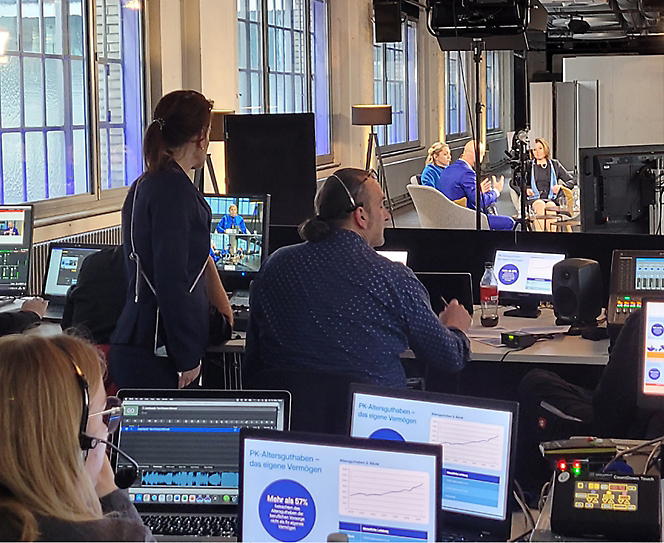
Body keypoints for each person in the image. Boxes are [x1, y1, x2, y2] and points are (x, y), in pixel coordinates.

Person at [244, 168, 472, 388]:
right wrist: (455, 328)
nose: (387, 214)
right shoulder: (393, 278)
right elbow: (449, 358)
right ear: (360, 216)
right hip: (370, 421)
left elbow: (253, 358)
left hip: (289, 419)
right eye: (382, 205)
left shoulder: (275, 265)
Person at [110, 90, 233, 389]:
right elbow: (172, 280)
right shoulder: (175, 193)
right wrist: (187, 356)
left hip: (134, 339)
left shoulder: (146, 183)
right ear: (202, 136)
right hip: (159, 351)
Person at [0, 334, 153, 541]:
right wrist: (111, 493)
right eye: (103, 416)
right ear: (75, 439)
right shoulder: (112, 538)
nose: (107, 432)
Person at [516, 310, 662, 494]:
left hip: (621, 435)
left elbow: (607, 407)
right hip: (645, 426)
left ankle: (532, 493)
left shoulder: (646, 320)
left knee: (534, 384)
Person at [437, 141, 515, 231]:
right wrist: (496, 191)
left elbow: (458, 192)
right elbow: (480, 202)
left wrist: (479, 190)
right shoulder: (467, 173)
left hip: (448, 217)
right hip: (466, 218)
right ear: (477, 155)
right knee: (509, 222)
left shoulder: (447, 170)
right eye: (482, 155)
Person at [524, 138, 575, 232]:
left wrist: (561, 187)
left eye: (540, 148)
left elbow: (572, 180)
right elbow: (515, 183)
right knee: (540, 205)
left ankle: (552, 239)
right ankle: (540, 239)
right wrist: (526, 189)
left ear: (545, 149)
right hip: (535, 198)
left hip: (552, 198)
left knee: (550, 206)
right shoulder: (529, 165)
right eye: (535, 149)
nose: (538, 152)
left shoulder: (555, 164)